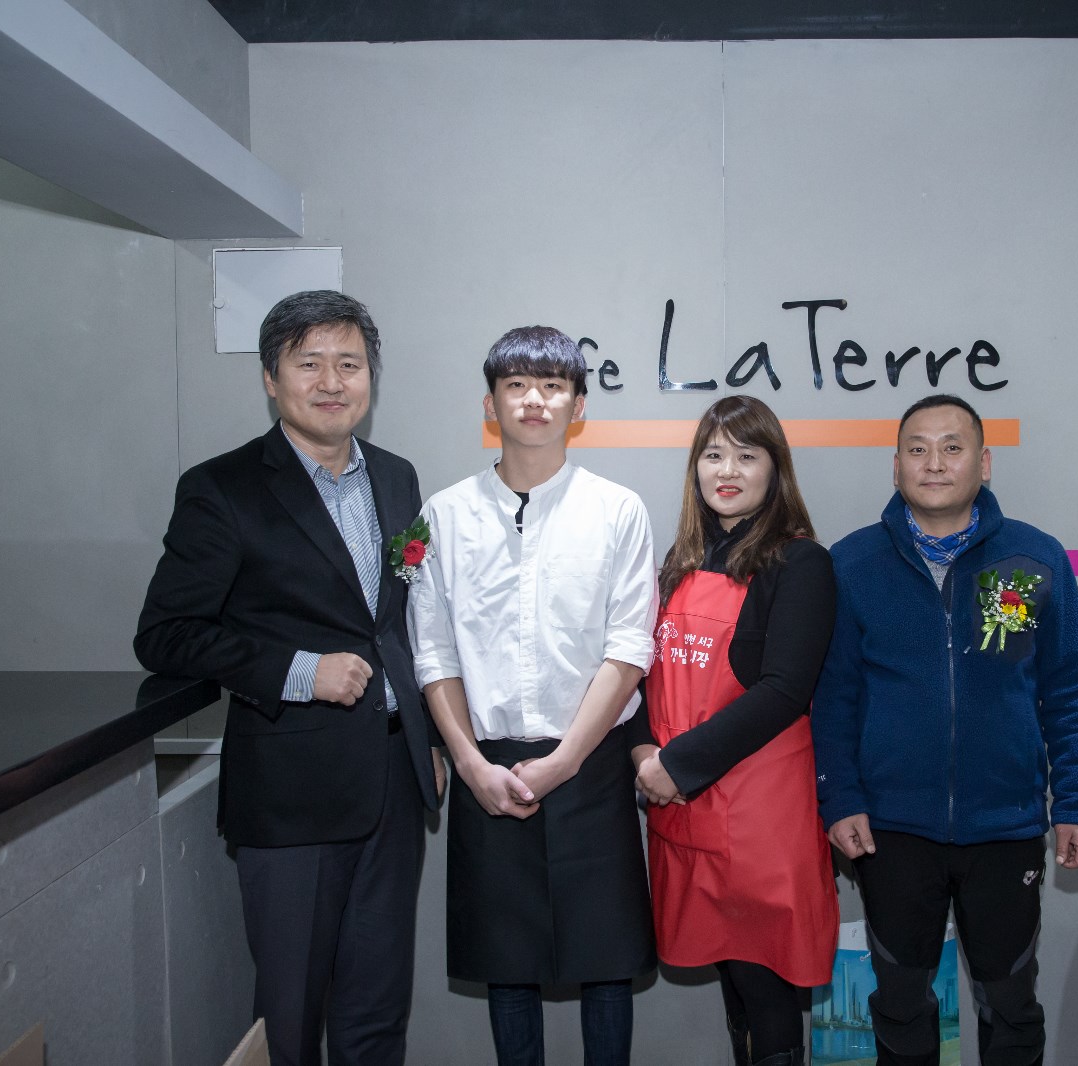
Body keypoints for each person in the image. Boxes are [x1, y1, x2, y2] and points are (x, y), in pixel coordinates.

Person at [134, 290, 444, 1066]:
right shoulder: (224, 488)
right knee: (291, 1019)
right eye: (310, 364)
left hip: (394, 780)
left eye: (350, 363)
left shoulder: (398, 479)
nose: (332, 381)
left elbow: (402, 617)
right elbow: (167, 634)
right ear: (271, 378)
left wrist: (431, 735)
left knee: (378, 1014)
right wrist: (301, 672)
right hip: (291, 793)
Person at [812, 393, 1078, 1066]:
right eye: (917, 449)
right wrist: (840, 797)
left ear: (984, 462)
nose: (934, 463)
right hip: (891, 831)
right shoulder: (851, 564)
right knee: (900, 1004)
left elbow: (1069, 691)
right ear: (896, 466)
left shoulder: (1033, 559)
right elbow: (834, 698)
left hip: (1006, 825)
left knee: (1011, 1005)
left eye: (952, 447)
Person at [408, 325, 657, 1066]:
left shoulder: (617, 509)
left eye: (553, 385)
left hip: (591, 762)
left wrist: (567, 760)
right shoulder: (444, 514)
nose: (534, 400)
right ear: (491, 404)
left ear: (578, 406)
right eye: (516, 385)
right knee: (506, 963)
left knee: (606, 960)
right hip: (487, 765)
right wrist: (469, 763)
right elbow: (432, 651)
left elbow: (629, 649)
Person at [632, 395, 840, 1066]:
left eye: (747, 456)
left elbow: (785, 691)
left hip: (757, 818)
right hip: (683, 807)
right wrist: (643, 751)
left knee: (765, 987)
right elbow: (644, 673)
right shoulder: (681, 561)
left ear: (776, 470)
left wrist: (675, 765)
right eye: (713, 455)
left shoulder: (800, 564)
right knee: (734, 989)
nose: (727, 471)